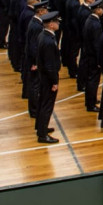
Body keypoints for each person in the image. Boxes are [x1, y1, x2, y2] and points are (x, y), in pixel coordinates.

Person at [35, 11, 62, 143]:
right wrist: (54, 81)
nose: (58, 24)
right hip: (48, 78)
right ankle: (42, 134)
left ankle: (41, 127)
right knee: (47, 105)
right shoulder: (49, 41)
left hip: (43, 76)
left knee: (42, 103)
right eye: (56, 22)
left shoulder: (43, 35)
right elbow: (50, 64)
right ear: (51, 25)